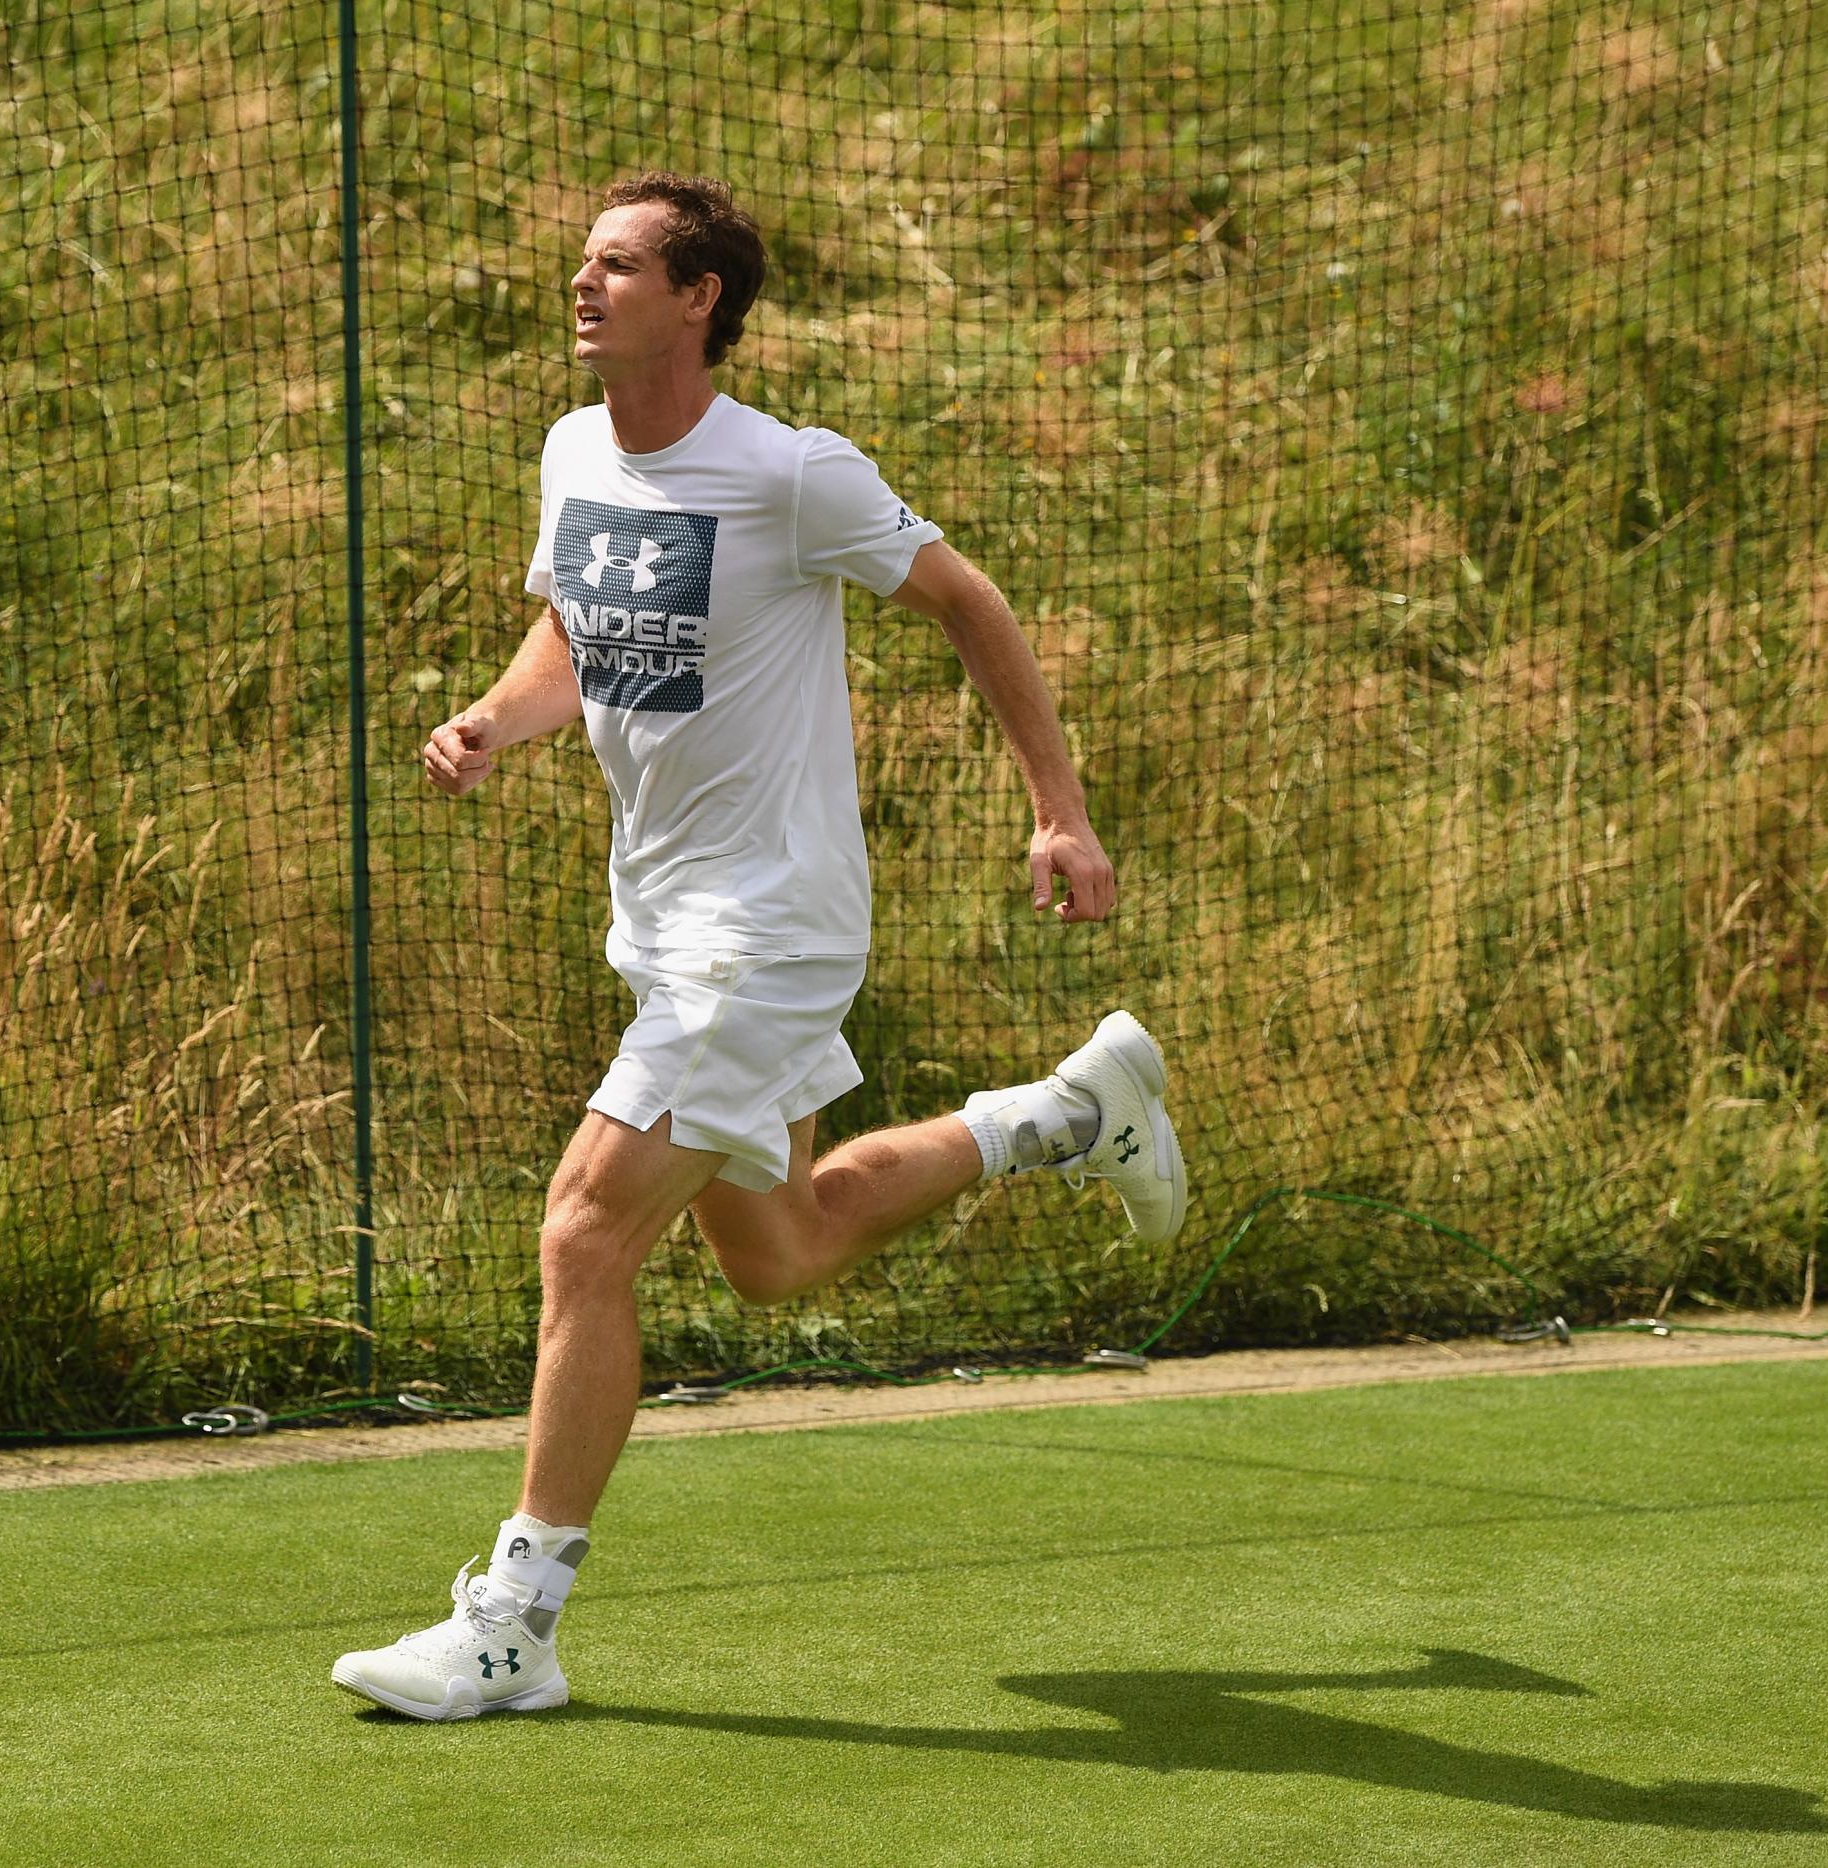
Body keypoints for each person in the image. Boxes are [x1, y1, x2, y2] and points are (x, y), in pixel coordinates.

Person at [332, 172, 1185, 1722]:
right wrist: (495, 720)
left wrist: (1059, 812)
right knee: (780, 1252)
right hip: (662, 928)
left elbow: (970, 605)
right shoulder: (576, 451)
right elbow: (577, 628)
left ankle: (512, 1627)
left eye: (616, 265)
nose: (580, 284)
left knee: (586, 1229)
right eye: (581, 261)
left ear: (698, 298)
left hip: (767, 929)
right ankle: (1066, 1114)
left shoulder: (793, 475)